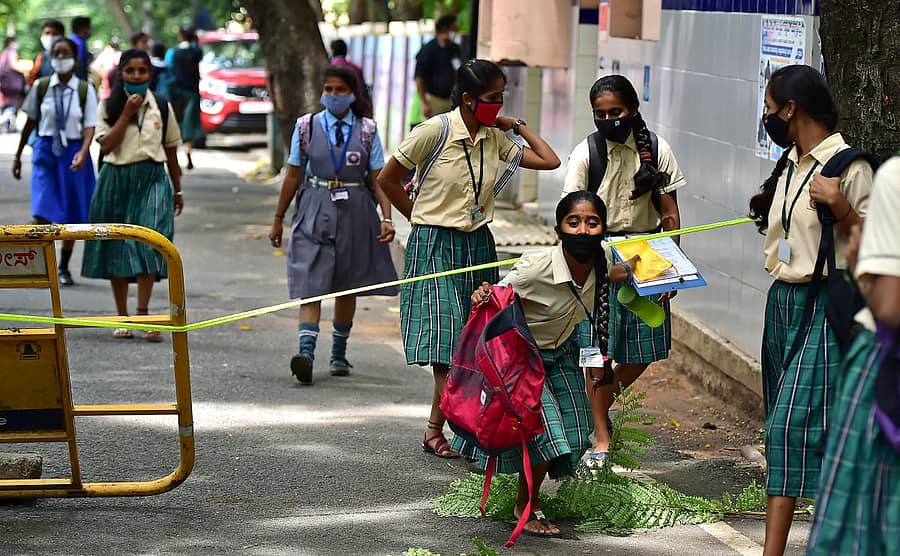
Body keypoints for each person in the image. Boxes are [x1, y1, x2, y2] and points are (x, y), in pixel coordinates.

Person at [376, 59, 560, 458]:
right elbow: (386, 179)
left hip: (478, 243)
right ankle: (449, 428)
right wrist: (418, 220)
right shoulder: (435, 131)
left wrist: (517, 124)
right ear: (467, 99)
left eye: (501, 97)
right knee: (446, 342)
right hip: (434, 245)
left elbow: (549, 161)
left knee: (474, 339)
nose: (498, 105)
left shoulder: (495, 138)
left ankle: (441, 429)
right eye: (493, 99)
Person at [458, 191, 638, 537]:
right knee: (546, 432)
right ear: (559, 229)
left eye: (592, 223)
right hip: (524, 360)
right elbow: (495, 297)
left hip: (563, 352)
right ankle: (527, 504)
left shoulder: (603, 260)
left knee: (575, 429)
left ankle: (528, 497)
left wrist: (649, 279)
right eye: (574, 223)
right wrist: (482, 294)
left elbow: (616, 273)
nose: (583, 231)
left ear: (603, 230)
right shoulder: (535, 268)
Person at [747, 64, 873, 556]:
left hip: (827, 303)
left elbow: (879, 241)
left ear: (791, 110)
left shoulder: (848, 166)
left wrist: (841, 207)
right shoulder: (792, 163)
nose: (767, 118)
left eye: (769, 110)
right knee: (783, 421)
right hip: (783, 302)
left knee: (788, 428)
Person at [561, 74, 686, 468]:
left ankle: (596, 403)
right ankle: (600, 435)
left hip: (647, 251)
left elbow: (669, 214)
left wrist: (672, 267)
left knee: (646, 344)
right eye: (600, 114)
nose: (609, 119)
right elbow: (570, 214)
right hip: (596, 251)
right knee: (595, 348)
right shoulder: (586, 154)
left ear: (632, 110)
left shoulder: (658, 150)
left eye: (616, 112)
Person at [268, 65, 397, 385]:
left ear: (353, 93)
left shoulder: (367, 130)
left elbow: (378, 178)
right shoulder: (306, 126)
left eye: (340, 90)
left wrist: (387, 217)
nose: (334, 96)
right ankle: (306, 353)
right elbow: (293, 175)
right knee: (310, 280)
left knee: (347, 283)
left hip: (356, 209)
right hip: (315, 204)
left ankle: (339, 353)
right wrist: (278, 218)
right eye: (328, 90)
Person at [806, 157, 900, 556]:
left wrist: (861, 265)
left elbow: (891, 305)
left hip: (886, 380)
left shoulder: (894, 178)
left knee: (859, 532)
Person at [80, 49, 182, 341]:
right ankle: (122, 315)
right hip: (116, 179)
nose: (136, 76)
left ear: (150, 74)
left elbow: (172, 150)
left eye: (142, 71)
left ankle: (143, 312)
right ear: (120, 73)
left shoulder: (161, 105)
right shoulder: (107, 106)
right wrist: (126, 114)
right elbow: (107, 146)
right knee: (118, 245)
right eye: (130, 71)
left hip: (152, 178)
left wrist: (178, 189)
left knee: (152, 240)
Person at [12, 37, 98, 287]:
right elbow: (30, 121)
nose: (61, 58)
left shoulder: (85, 89)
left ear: (75, 58)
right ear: (50, 57)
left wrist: (83, 151)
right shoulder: (41, 87)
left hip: (73, 151)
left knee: (71, 212)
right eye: (56, 53)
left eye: (66, 53)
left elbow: (90, 125)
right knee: (42, 209)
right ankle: (42, 264)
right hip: (45, 150)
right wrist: (18, 155)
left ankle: (63, 265)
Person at [166, 27, 203, 170]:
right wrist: (195, 41)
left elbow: (169, 69)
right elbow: (199, 52)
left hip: (177, 93)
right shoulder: (197, 51)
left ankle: (174, 157)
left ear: (181, 36)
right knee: (190, 124)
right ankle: (188, 151)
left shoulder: (173, 52)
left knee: (177, 123)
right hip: (193, 91)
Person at [413, 14, 461, 120]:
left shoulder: (454, 49)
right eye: (454, 28)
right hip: (433, 100)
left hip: (451, 101)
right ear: (445, 29)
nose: (456, 31)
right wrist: (424, 102)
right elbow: (419, 78)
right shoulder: (428, 50)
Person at [0, 37, 30, 133]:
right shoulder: (11, 53)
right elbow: (14, 65)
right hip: (13, 85)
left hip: (5, 85)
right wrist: (26, 70)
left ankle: (8, 126)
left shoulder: (3, 53)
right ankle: (3, 123)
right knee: (13, 107)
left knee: (8, 107)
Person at [27, 20, 65, 86]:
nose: (51, 37)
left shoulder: (69, 58)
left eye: (55, 34)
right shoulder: (39, 58)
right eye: (47, 33)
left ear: (62, 36)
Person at [69, 16, 92, 81]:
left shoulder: (72, 39)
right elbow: (79, 65)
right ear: (82, 28)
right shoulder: (79, 43)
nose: (89, 30)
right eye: (88, 28)